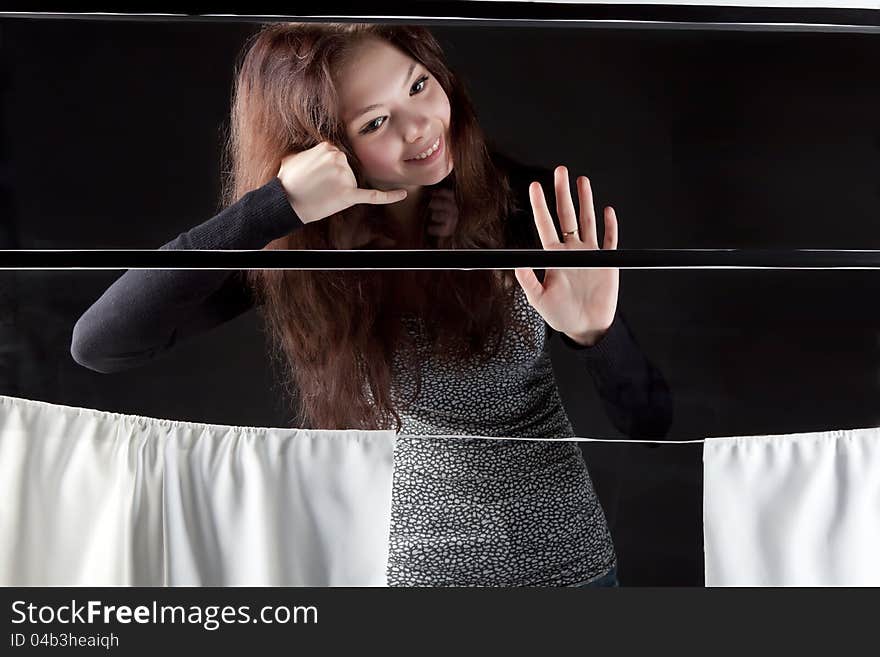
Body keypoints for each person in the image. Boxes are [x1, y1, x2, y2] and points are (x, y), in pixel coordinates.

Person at [70, 22, 672, 587]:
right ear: (324, 147)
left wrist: (599, 334)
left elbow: (648, 423)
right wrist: (274, 206)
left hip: (570, 572)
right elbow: (100, 344)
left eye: (419, 85)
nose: (420, 128)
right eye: (377, 121)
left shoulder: (526, 208)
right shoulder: (310, 251)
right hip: (412, 588)